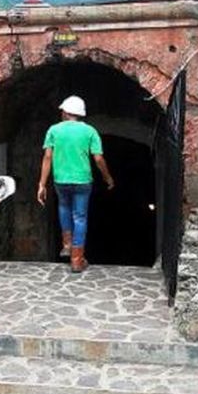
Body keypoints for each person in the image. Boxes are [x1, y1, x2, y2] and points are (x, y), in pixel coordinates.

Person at [37, 96, 114, 273]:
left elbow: (47, 157)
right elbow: (99, 158)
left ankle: (67, 244)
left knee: (64, 207)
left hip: (60, 179)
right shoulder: (90, 131)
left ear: (65, 112)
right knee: (80, 217)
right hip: (82, 180)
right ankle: (77, 260)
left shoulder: (53, 130)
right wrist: (107, 177)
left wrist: (42, 184)